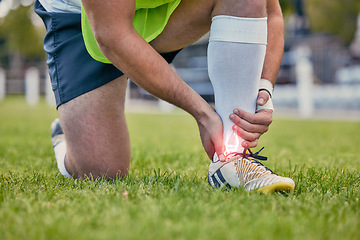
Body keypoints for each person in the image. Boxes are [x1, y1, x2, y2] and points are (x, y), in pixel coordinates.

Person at [35, 0, 295, 193]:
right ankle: (65, 136)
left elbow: (271, 12)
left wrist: (264, 89)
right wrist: (203, 114)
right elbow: (112, 34)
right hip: (82, 19)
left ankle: (232, 161)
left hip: (162, 9)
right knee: (102, 171)